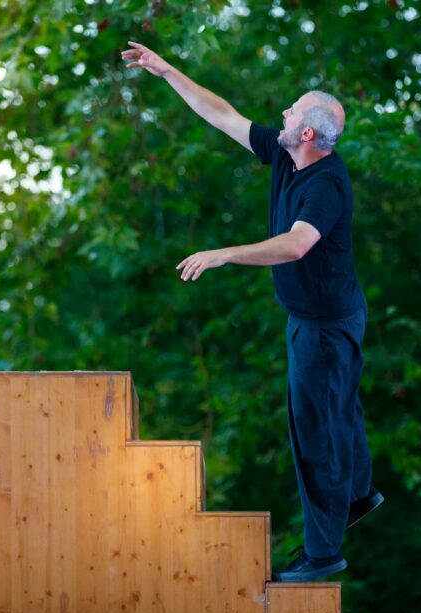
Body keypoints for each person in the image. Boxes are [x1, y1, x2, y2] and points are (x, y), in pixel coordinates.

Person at [122, 41, 384, 582]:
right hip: (325, 314)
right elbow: (221, 114)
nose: (282, 114)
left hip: (325, 327)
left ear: (308, 133)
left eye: (292, 111)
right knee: (342, 413)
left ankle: (323, 552)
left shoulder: (327, 184)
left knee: (315, 433)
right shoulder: (286, 153)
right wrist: (168, 70)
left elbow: (295, 245)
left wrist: (223, 253)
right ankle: (359, 496)